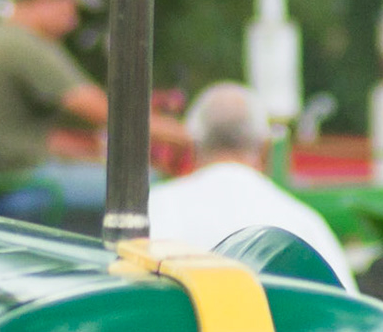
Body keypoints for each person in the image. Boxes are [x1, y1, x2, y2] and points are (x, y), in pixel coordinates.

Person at [0, 0, 184, 222]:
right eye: (71, 6)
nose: (74, 21)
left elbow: (24, 135)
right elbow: (107, 114)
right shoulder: (23, 44)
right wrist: (187, 136)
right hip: (20, 184)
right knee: (156, 188)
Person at [147, 82, 357, 289]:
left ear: (192, 147)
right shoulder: (304, 223)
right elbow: (353, 314)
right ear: (266, 149)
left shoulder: (153, 209)